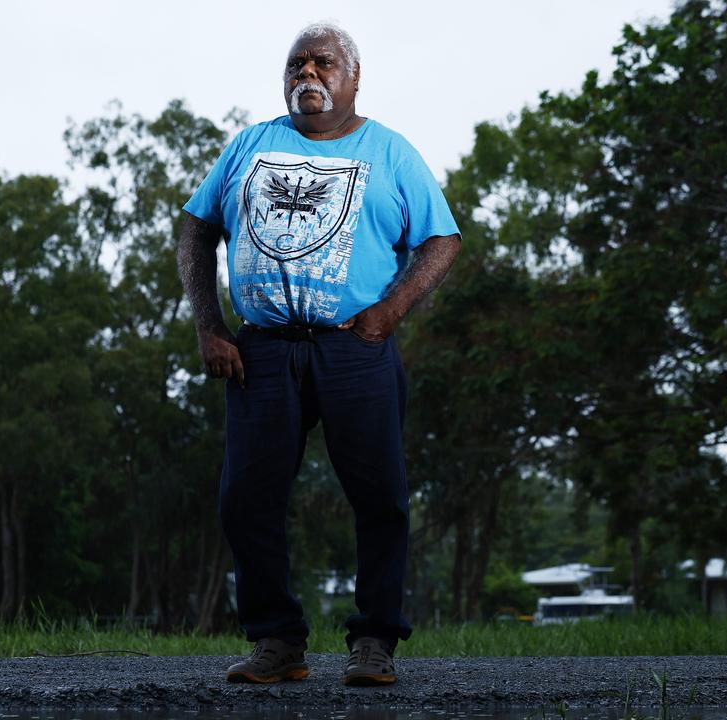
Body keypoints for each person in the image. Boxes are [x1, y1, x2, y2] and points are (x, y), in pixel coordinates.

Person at [176, 21, 461, 686]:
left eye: (324, 63)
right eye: (297, 63)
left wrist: (390, 311)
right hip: (263, 350)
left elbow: (442, 240)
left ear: (354, 78)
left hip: (354, 349)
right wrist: (209, 327)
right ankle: (276, 641)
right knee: (245, 497)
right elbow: (197, 229)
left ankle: (374, 642)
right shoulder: (251, 145)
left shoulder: (389, 151)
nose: (308, 74)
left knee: (380, 495)